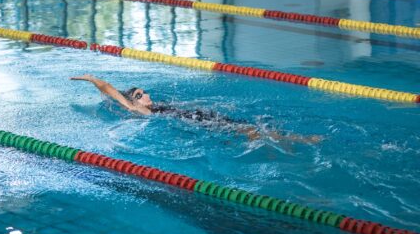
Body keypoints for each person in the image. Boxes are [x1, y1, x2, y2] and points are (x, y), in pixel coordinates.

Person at [70, 74, 323, 144]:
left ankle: (281, 140)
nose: (145, 94)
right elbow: (110, 90)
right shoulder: (141, 111)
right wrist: (93, 79)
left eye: (143, 92)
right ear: (133, 103)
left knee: (243, 130)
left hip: (200, 118)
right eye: (139, 95)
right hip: (198, 122)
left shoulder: (159, 107)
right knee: (246, 131)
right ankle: (296, 139)